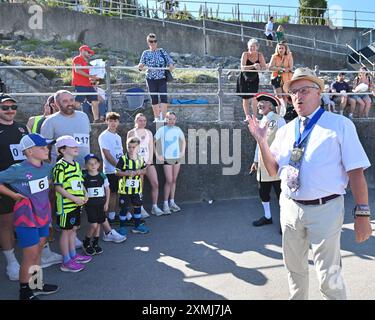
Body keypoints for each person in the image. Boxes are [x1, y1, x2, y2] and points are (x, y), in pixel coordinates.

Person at [248, 67, 372, 300]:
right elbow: (274, 170)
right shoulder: (286, 130)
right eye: (293, 92)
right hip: (290, 208)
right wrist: (262, 141)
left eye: (304, 90)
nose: (298, 96)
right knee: (294, 271)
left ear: (318, 93)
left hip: (326, 209)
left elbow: (356, 173)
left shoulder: (340, 125)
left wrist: (363, 214)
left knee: (329, 276)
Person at [0, 133, 58, 300]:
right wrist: (13, 195)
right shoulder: (18, 169)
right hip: (27, 219)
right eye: (42, 147)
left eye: (46, 146)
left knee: (38, 252)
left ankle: (36, 284)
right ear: (30, 151)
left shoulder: (48, 168)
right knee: (29, 255)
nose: (46, 149)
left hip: (42, 217)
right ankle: (25, 292)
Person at [53, 135, 92, 273]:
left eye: (76, 146)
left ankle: (73, 255)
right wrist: (74, 198)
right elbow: (58, 187)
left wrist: (85, 193)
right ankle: (66, 261)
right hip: (66, 206)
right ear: (62, 150)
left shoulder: (76, 164)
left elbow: (80, 182)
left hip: (77, 204)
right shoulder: (59, 167)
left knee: (73, 230)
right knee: (66, 232)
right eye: (72, 146)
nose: (76, 148)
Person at [0, 94, 27, 281]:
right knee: (6, 224)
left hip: (25, 184)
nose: (10, 111)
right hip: (4, 185)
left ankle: (41, 254)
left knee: (30, 221)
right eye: (5, 108)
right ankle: (11, 262)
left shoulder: (22, 127)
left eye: (13, 107)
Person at [250, 93, 285, 227]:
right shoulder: (262, 120)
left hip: (276, 163)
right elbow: (259, 144)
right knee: (263, 192)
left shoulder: (279, 120)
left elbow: (285, 141)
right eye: (259, 102)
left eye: (263, 101)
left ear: (270, 105)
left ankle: (285, 222)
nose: (259, 104)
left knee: (280, 194)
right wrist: (255, 161)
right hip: (262, 164)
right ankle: (267, 216)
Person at [82, 153, 125, 255]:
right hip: (90, 205)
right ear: (86, 165)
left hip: (101, 204)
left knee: (99, 223)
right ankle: (86, 242)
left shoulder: (102, 176)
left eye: (95, 163)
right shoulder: (84, 177)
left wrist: (106, 203)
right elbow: (81, 188)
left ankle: (95, 243)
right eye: (90, 163)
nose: (93, 165)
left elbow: (107, 189)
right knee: (93, 224)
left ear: (99, 164)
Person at [41, 90, 91, 168]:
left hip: (86, 168)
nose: (70, 103)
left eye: (71, 100)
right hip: (63, 171)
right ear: (57, 103)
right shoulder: (50, 121)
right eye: (65, 101)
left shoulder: (84, 116)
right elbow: (44, 147)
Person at [127, 113, 165, 217]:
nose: (142, 122)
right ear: (136, 121)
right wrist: (137, 163)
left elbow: (151, 148)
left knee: (155, 183)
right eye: (140, 120)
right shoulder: (131, 133)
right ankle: (140, 208)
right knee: (139, 187)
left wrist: (149, 161)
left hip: (149, 163)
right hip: (137, 164)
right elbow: (130, 149)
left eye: (144, 120)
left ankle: (154, 207)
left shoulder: (149, 132)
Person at [116, 137, 150, 235]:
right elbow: (117, 172)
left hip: (136, 189)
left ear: (138, 148)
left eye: (134, 147)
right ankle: (122, 227)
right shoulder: (123, 159)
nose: (131, 149)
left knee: (137, 206)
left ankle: (137, 226)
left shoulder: (140, 159)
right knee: (124, 208)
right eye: (129, 147)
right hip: (124, 190)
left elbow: (144, 170)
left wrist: (139, 171)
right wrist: (127, 173)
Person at [138, 33, 174, 122]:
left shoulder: (162, 51)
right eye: (151, 41)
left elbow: (169, 60)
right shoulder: (145, 53)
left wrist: (170, 65)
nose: (153, 43)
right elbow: (141, 64)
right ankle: (157, 117)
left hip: (162, 77)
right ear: (148, 42)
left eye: (155, 41)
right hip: (151, 78)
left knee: (163, 97)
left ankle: (164, 117)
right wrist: (140, 66)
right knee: (154, 98)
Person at [154, 112, 186, 214]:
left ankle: (172, 202)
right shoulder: (161, 130)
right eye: (169, 119)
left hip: (177, 158)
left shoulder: (178, 129)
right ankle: (165, 204)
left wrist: (182, 152)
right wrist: (157, 155)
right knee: (169, 180)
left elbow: (183, 141)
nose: (172, 121)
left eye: (173, 119)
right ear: (166, 119)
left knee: (174, 180)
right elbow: (153, 142)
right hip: (167, 158)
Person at [98, 112, 123, 225]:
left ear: (118, 122)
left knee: (118, 193)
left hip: (119, 170)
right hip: (110, 170)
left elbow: (120, 153)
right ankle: (111, 217)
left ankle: (115, 214)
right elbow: (107, 154)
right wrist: (119, 166)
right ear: (106, 121)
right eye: (111, 121)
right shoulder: (104, 136)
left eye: (115, 121)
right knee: (112, 194)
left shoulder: (118, 136)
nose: (113, 123)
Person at [236, 38, 267, 121]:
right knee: (245, 98)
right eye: (250, 46)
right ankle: (247, 116)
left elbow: (264, 68)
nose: (251, 48)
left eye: (253, 46)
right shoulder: (245, 54)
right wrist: (253, 66)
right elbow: (242, 67)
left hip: (254, 77)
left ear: (257, 47)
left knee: (254, 97)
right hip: (244, 77)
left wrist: (259, 67)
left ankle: (255, 116)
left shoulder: (260, 55)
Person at [72, 45, 101, 123]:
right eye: (88, 52)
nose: (89, 54)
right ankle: (69, 116)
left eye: (90, 53)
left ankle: (96, 120)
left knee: (95, 101)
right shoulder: (77, 58)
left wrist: (94, 78)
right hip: (80, 84)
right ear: (82, 51)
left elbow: (85, 74)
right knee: (77, 103)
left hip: (88, 85)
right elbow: (77, 70)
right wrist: (91, 76)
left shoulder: (85, 62)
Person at [268, 41, 293, 111]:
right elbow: (270, 67)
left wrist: (285, 69)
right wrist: (281, 69)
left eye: (282, 48)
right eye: (279, 48)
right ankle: (279, 113)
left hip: (286, 78)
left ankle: (283, 113)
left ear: (285, 49)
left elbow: (291, 67)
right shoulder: (274, 56)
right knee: (279, 96)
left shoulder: (289, 55)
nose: (281, 50)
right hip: (276, 78)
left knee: (285, 96)